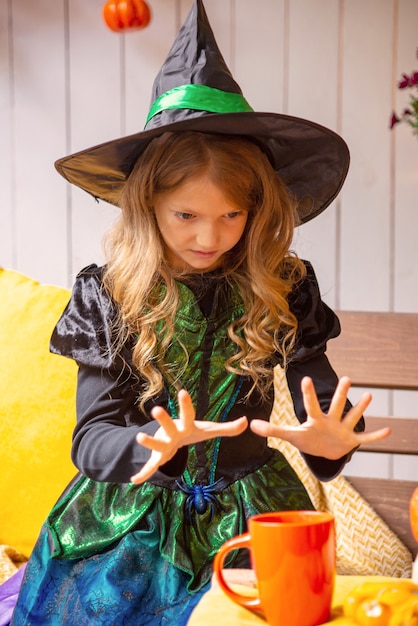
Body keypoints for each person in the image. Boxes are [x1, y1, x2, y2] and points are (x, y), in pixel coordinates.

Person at [11, 2, 390, 625]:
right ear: (147, 206)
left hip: (250, 521)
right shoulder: (110, 294)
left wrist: (329, 448)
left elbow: (320, 405)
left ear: (257, 211)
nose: (210, 237)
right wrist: (149, 445)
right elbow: (91, 437)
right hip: (127, 523)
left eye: (231, 216)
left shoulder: (283, 285)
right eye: (186, 215)